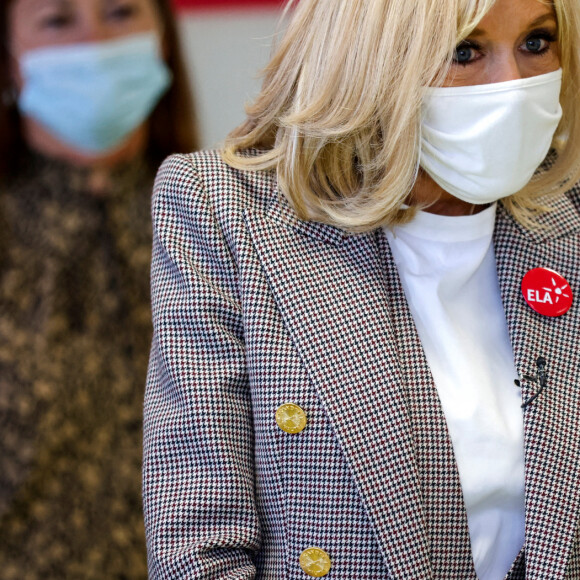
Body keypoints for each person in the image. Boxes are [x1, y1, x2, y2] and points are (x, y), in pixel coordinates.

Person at [143, 0, 580, 577]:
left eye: (536, 43)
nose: (513, 85)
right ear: (371, 58)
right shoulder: (225, 208)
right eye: (464, 52)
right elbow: (197, 550)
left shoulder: (565, 214)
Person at [0, 0, 198, 578]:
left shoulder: (225, 224)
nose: (95, 42)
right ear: (10, 61)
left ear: (162, 37)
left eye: (119, 13)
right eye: (58, 21)